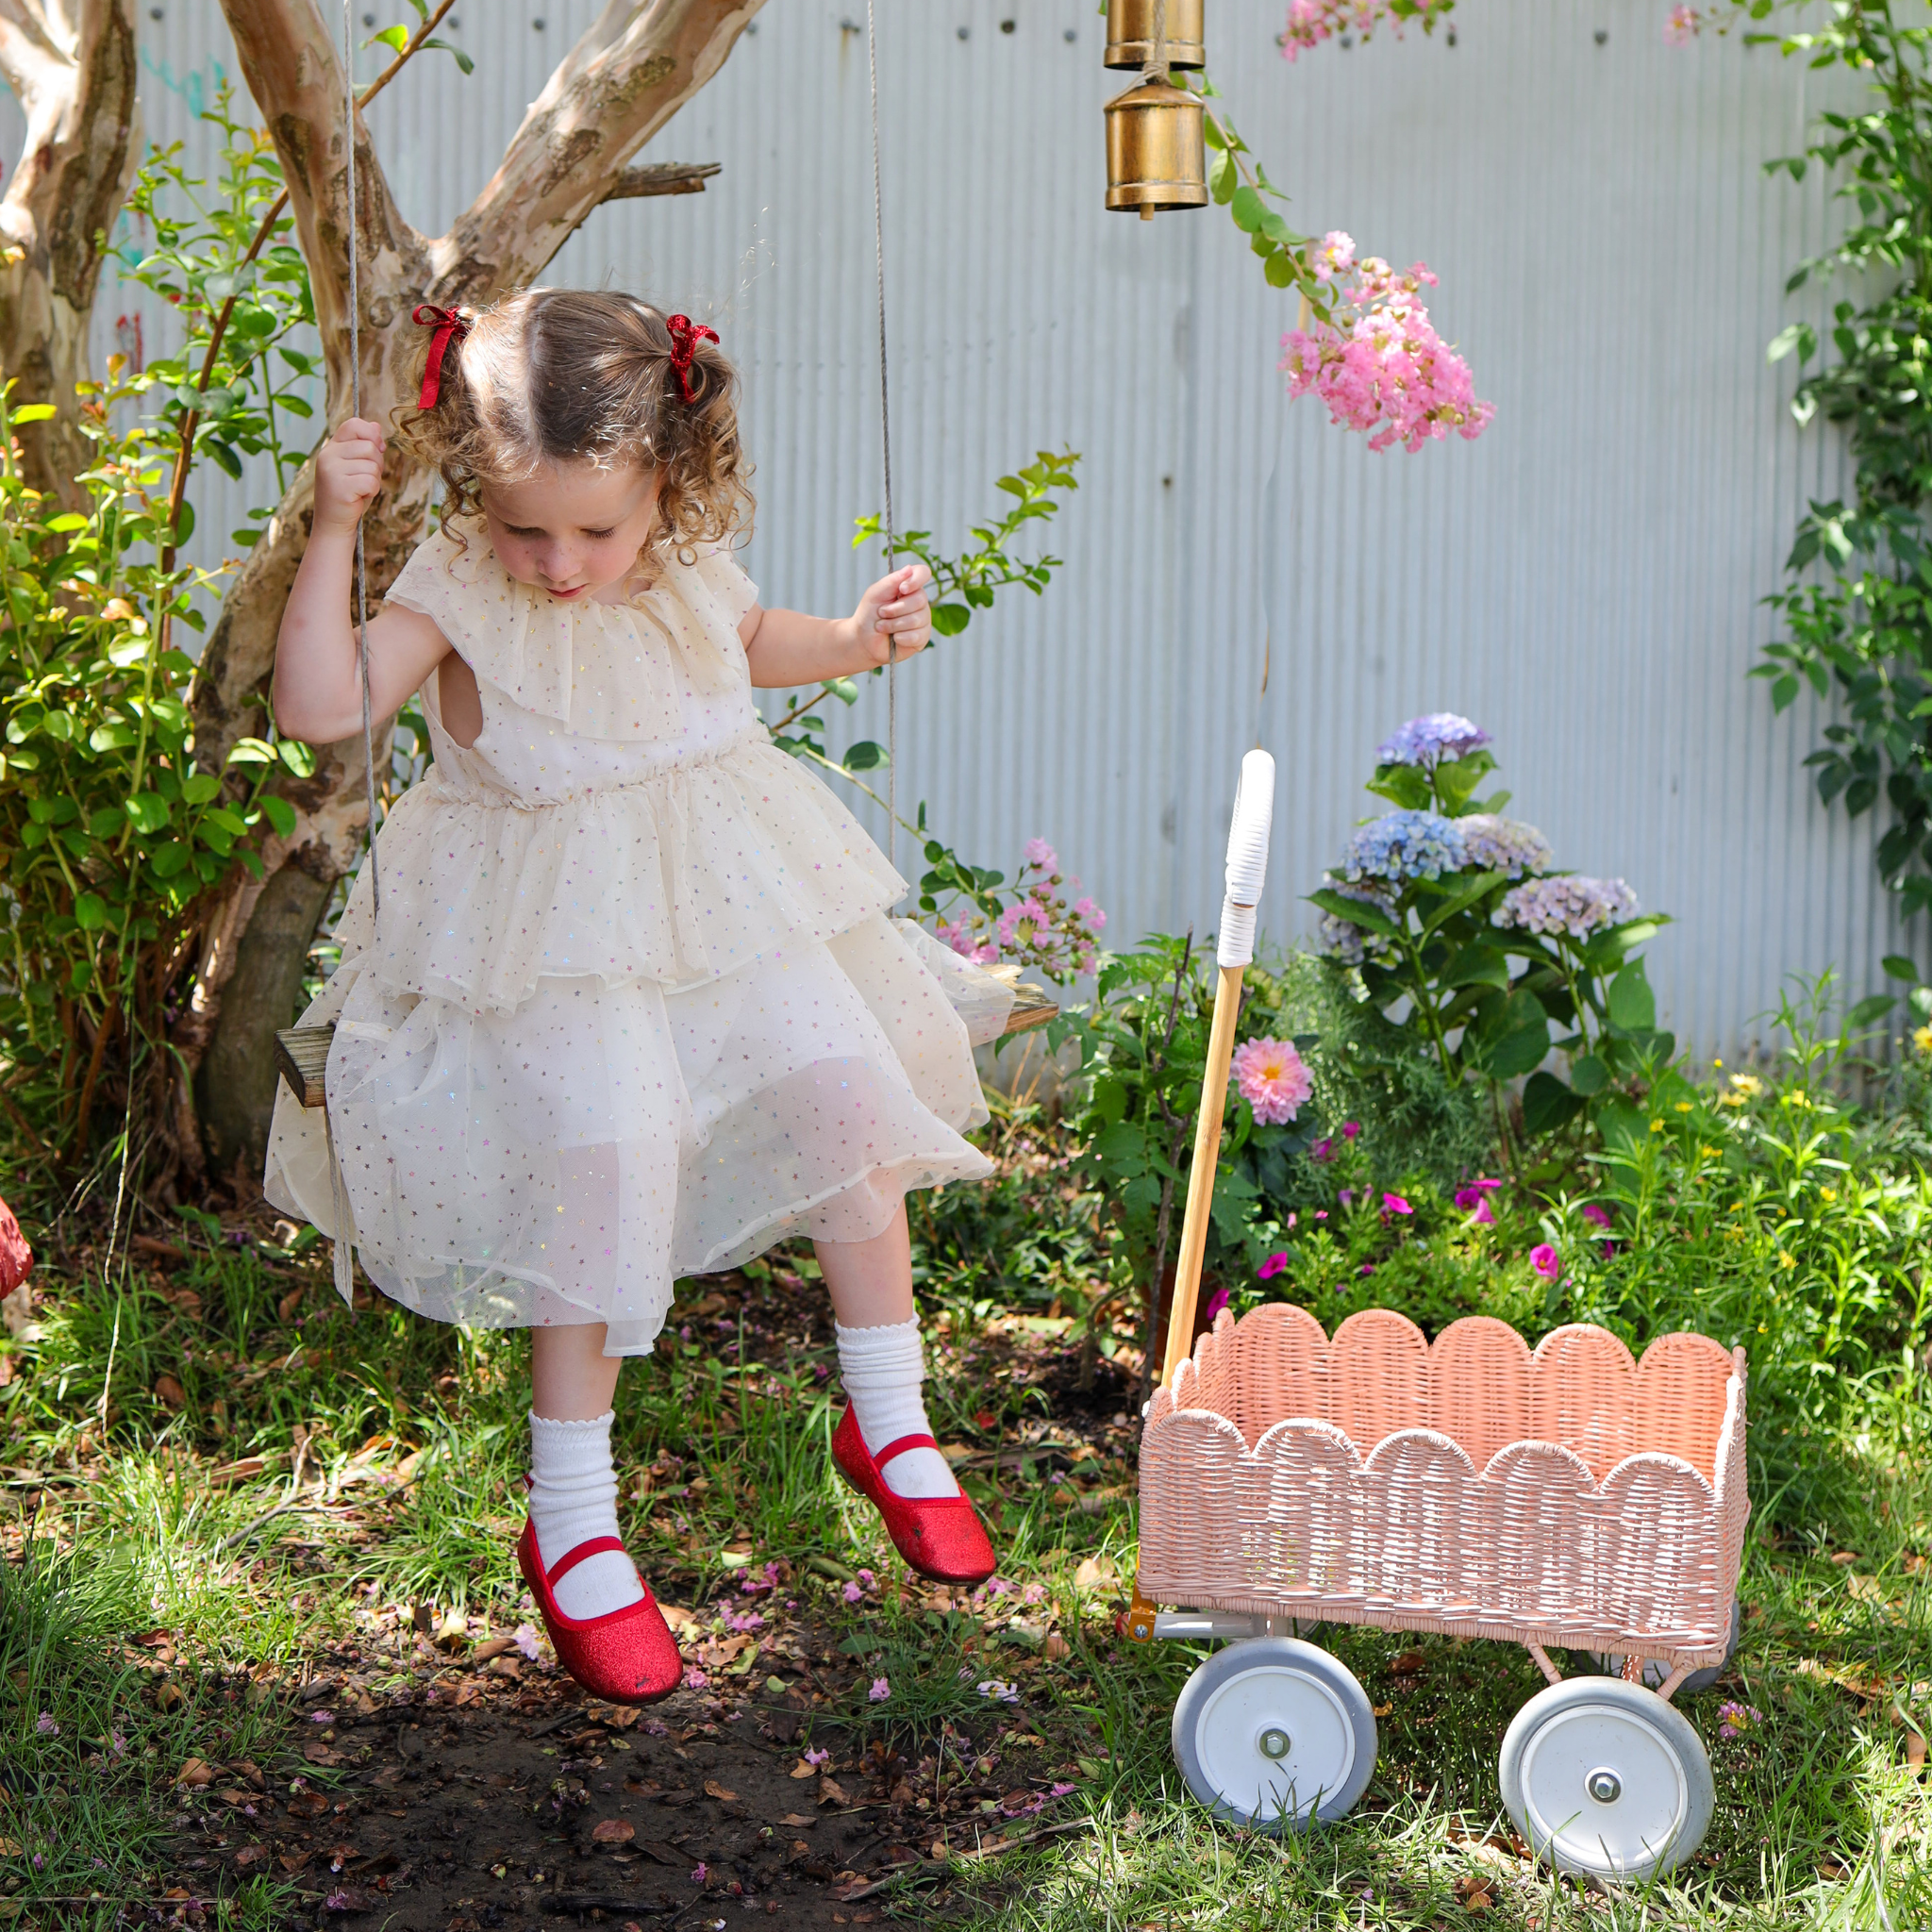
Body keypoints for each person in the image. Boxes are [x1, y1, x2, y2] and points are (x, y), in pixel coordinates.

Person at [264, 291, 999, 1705]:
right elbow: (320, 707)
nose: (558, 564)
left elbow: (750, 638)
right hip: (549, 949)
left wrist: (854, 638)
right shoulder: (458, 586)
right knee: (609, 1158)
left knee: (844, 1093)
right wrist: (335, 529)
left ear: (667, 475)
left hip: (722, 906)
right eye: (525, 528)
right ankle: (573, 1518)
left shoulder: (681, 563)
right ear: (480, 495)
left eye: (594, 531)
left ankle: (891, 1418)